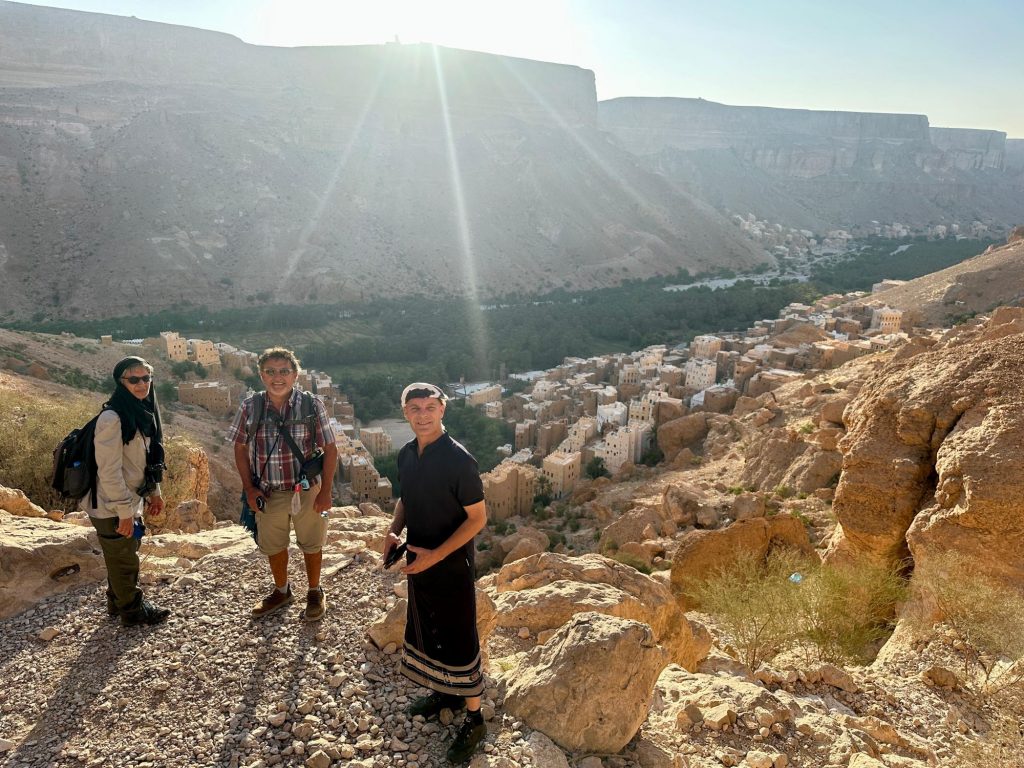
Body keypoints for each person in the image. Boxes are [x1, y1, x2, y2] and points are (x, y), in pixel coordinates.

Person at [383, 382, 488, 764]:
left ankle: (475, 717)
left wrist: (437, 555)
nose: (422, 415)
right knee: (429, 626)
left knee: (460, 635)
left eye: (430, 407)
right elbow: (406, 498)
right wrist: (395, 529)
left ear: (443, 410)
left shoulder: (460, 460)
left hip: (451, 566)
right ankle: (448, 693)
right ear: (405, 412)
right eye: (415, 408)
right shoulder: (407, 454)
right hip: (418, 559)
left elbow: (478, 519)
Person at [228, 347, 338, 621]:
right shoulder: (250, 406)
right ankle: (282, 590)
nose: (278, 377)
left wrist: (325, 492)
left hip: (307, 489)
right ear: (261, 375)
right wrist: (249, 488)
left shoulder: (311, 405)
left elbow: (331, 448)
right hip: (268, 490)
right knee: (274, 544)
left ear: (295, 374)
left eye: (284, 371)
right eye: (271, 371)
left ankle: (314, 591)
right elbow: (240, 447)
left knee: (312, 542)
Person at [84, 356, 170, 627]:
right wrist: (124, 512)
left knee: (125, 550)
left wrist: (154, 491)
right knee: (124, 557)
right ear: (121, 382)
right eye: (134, 379)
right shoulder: (112, 417)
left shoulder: (141, 413)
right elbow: (108, 472)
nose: (142, 383)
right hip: (111, 504)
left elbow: (146, 460)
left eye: (146, 378)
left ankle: (117, 601)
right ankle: (133, 613)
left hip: (131, 499)